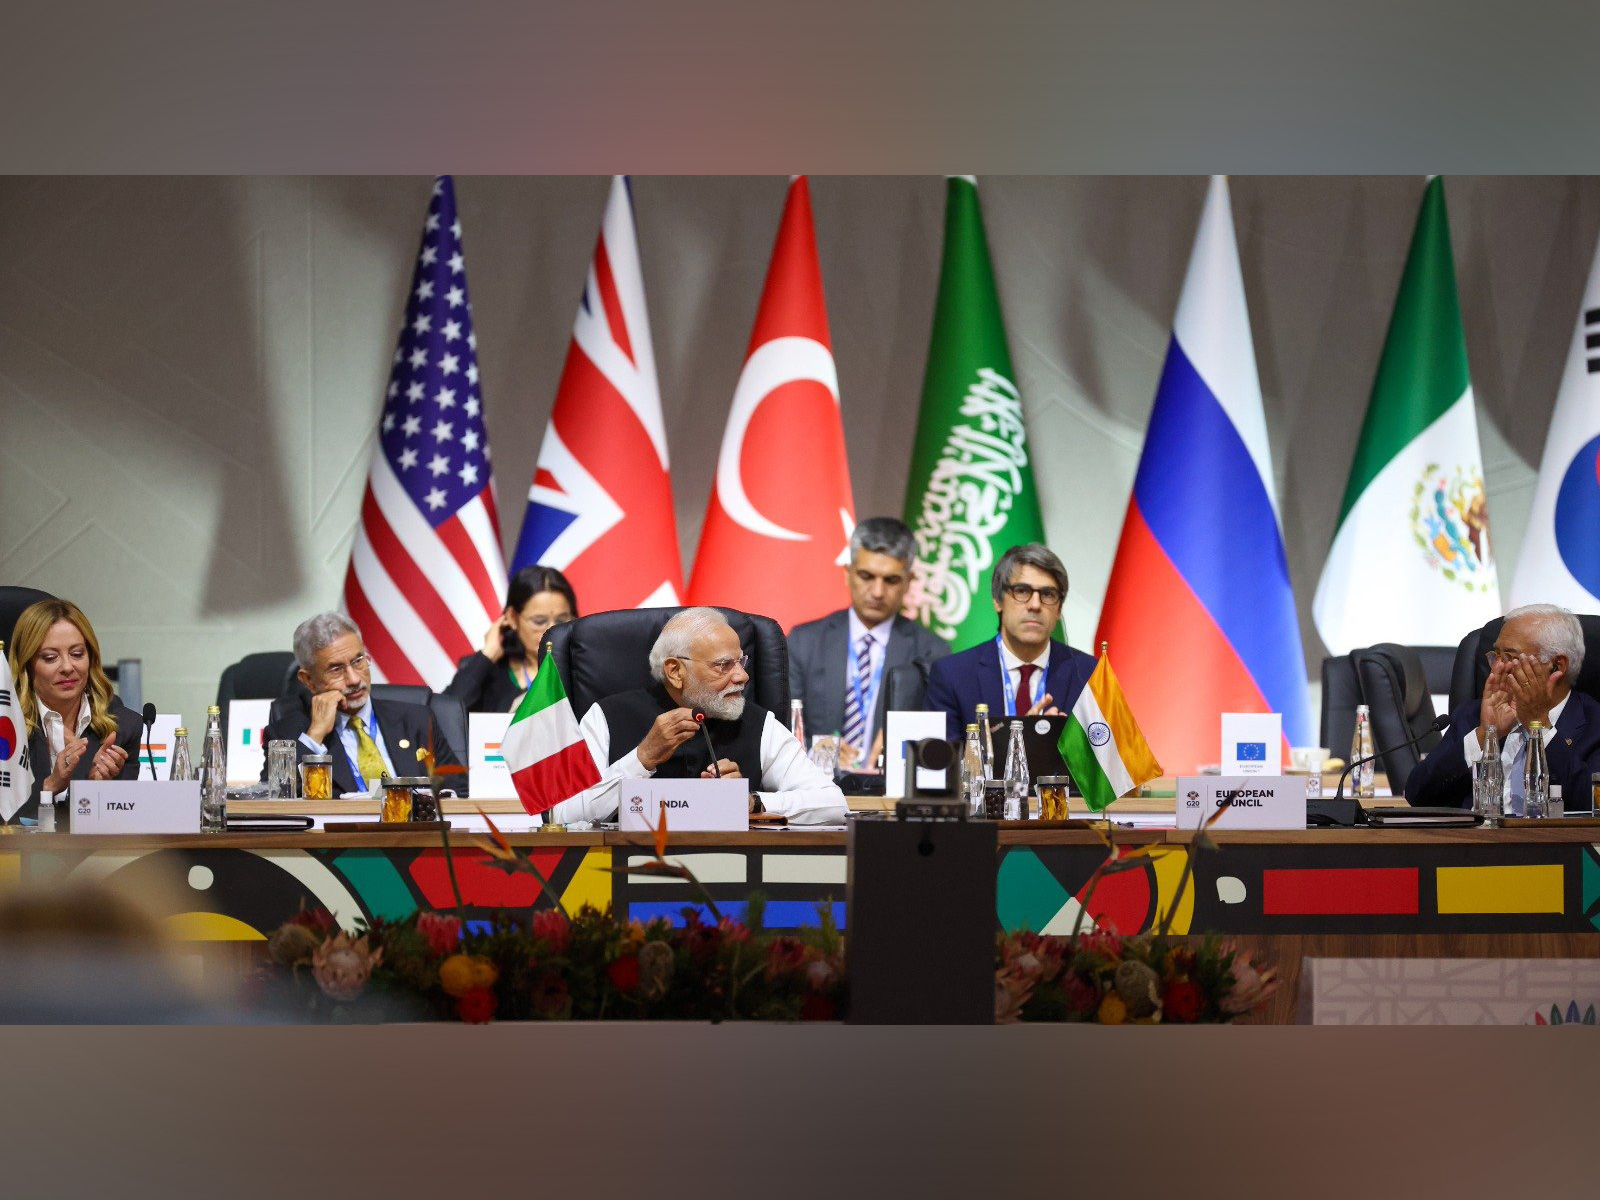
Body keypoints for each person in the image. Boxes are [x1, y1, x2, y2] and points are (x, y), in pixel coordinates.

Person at [546, 607, 846, 826]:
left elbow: (833, 804)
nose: (742, 675)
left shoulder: (758, 723)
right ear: (675, 671)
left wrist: (752, 801)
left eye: (740, 661)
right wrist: (641, 759)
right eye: (723, 665)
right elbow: (562, 813)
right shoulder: (606, 717)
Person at [786, 517, 950, 768]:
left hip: (891, 794)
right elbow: (780, 726)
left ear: (909, 581)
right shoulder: (805, 641)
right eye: (866, 576)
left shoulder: (932, 651)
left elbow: (940, 734)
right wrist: (821, 751)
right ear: (848, 573)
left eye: (891, 580)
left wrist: (902, 742)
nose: (877, 592)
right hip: (816, 787)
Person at [1405, 604, 1600, 810]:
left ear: (1557, 665)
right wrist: (1484, 735)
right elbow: (1418, 795)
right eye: (1495, 655)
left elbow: (1592, 806)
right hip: (1470, 840)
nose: (1496, 667)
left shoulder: (1594, 725)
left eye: (1510, 657)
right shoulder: (1472, 715)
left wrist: (1540, 726)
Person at [261, 612, 466, 796]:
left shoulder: (417, 721)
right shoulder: (286, 735)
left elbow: (460, 793)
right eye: (335, 669)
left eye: (358, 661)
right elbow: (276, 800)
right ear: (308, 681)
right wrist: (315, 737)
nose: (353, 679)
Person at [924, 544, 1097, 741]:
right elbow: (945, 764)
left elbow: (1102, 761)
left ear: (1059, 609)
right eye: (1022, 591)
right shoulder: (953, 675)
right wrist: (1026, 745)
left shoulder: (1088, 675)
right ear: (998, 601)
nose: (1035, 605)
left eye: (1048, 594)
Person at [6, 598, 142, 823]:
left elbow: (123, 826)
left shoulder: (122, 726)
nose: (68, 667)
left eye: (77, 654)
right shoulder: (7, 728)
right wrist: (50, 786)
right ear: (27, 665)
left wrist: (95, 790)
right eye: (50, 658)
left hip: (90, 855)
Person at [446, 565, 578, 712]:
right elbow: (445, 716)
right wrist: (487, 654)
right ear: (512, 618)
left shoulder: (584, 670)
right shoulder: (489, 673)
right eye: (539, 621)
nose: (552, 631)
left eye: (561, 621)